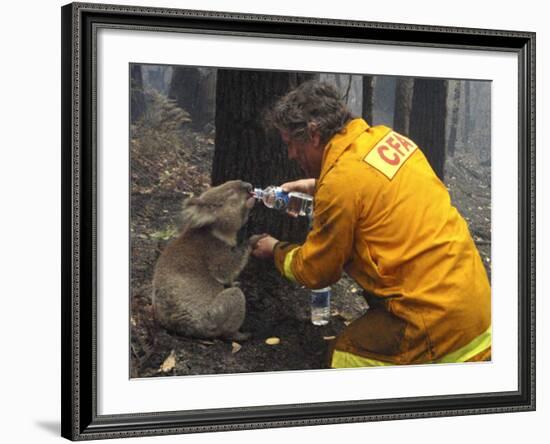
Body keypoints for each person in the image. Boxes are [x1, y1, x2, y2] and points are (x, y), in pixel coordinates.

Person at [251, 80, 491, 368]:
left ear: (313, 135)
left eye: (291, 144)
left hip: (435, 326)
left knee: (344, 357)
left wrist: (275, 249)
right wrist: (317, 186)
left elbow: (316, 271)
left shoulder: (341, 184)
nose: (290, 155)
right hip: (477, 308)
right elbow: (368, 186)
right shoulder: (386, 139)